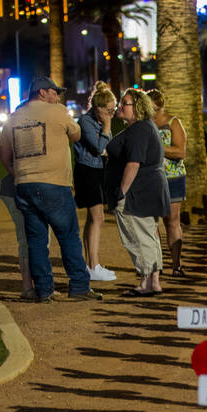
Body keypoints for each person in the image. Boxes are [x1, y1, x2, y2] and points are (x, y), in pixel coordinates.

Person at [0, 76, 101, 302]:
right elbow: (76, 135)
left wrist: (21, 174)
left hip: (24, 185)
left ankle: (44, 290)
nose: (57, 96)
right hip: (54, 183)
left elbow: (5, 156)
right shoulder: (58, 111)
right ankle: (79, 286)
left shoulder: (14, 117)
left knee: (36, 239)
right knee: (68, 236)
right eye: (54, 92)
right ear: (42, 92)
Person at [106, 88, 171, 296]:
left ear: (137, 108)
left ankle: (145, 282)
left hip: (138, 191)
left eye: (125, 103)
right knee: (148, 234)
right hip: (150, 187)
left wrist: (121, 193)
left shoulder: (139, 130)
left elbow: (133, 163)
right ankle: (153, 281)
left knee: (136, 234)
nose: (120, 106)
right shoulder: (145, 127)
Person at [73, 81, 117, 282]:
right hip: (87, 171)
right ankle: (93, 265)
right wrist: (107, 126)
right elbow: (99, 147)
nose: (111, 114)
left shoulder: (99, 122)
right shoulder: (86, 122)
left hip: (99, 171)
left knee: (94, 219)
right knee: (97, 218)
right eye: (108, 111)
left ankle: (90, 264)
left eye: (113, 110)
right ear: (97, 108)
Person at [146, 88, 187, 278]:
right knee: (151, 223)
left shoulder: (173, 122)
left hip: (172, 177)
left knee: (172, 221)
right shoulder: (144, 124)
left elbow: (180, 152)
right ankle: (156, 264)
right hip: (151, 178)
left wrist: (159, 148)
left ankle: (177, 265)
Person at [0, 171, 36, 300]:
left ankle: (39, 286)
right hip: (19, 190)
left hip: (33, 189)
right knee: (27, 238)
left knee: (38, 239)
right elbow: (6, 159)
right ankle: (28, 288)